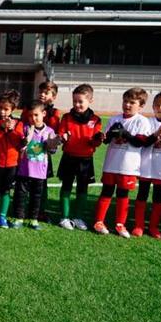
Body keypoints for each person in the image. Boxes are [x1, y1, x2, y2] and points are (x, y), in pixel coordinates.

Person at [93, 88, 152, 237]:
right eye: (125, 101)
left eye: (132, 102)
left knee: (122, 194)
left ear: (141, 105)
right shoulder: (114, 119)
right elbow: (105, 140)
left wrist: (125, 134)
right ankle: (98, 221)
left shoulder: (142, 121)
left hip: (129, 166)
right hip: (111, 164)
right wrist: (104, 135)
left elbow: (140, 143)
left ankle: (120, 224)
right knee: (106, 191)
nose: (127, 105)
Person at [56, 84, 103, 231]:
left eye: (80, 101)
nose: (77, 104)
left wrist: (98, 139)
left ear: (90, 101)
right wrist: (62, 137)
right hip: (69, 157)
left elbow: (95, 142)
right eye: (74, 101)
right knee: (66, 187)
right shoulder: (67, 117)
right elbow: (60, 136)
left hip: (85, 160)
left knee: (82, 189)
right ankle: (64, 217)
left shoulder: (96, 120)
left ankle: (78, 217)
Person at [132, 92, 161, 238]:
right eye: (157, 104)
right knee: (142, 194)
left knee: (158, 196)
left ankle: (153, 227)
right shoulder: (146, 122)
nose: (160, 107)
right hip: (145, 165)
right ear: (152, 105)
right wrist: (156, 134)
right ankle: (139, 225)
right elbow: (145, 143)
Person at [11, 100, 58, 229]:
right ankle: (18, 218)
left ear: (44, 114)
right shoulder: (25, 128)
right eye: (31, 115)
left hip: (40, 173)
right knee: (20, 196)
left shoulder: (49, 131)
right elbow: (19, 145)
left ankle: (33, 219)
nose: (33, 118)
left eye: (36, 115)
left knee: (36, 198)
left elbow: (53, 150)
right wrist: (27, 138)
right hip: (24, 170)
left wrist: (52, 143)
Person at [0, 90, 24, 229]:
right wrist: (1, 129)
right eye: (0, 108)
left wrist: (12, 130)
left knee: (6, 190)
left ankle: (2, 216)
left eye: (6, 109)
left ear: (13, 109)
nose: (2, 111)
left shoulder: (19, 123)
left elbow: (18, 141)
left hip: (12, 164)